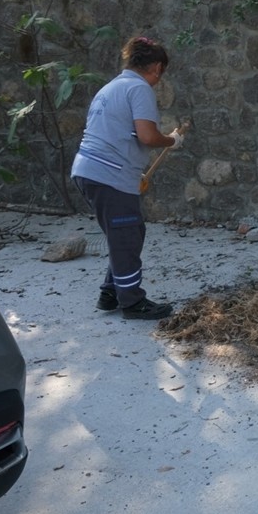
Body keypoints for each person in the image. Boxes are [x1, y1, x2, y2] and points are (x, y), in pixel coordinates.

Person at [71, 35, 184, 321]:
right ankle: (132, 302)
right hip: (109, 174)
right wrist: (172, 140)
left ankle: (111, 293)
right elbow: (147, 135)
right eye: (161, 73)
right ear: (156, 67)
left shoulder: (110, 88)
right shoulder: (138, 88)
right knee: (127, 235)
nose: (159, 79)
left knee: (127, 233)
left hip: (90, 170)